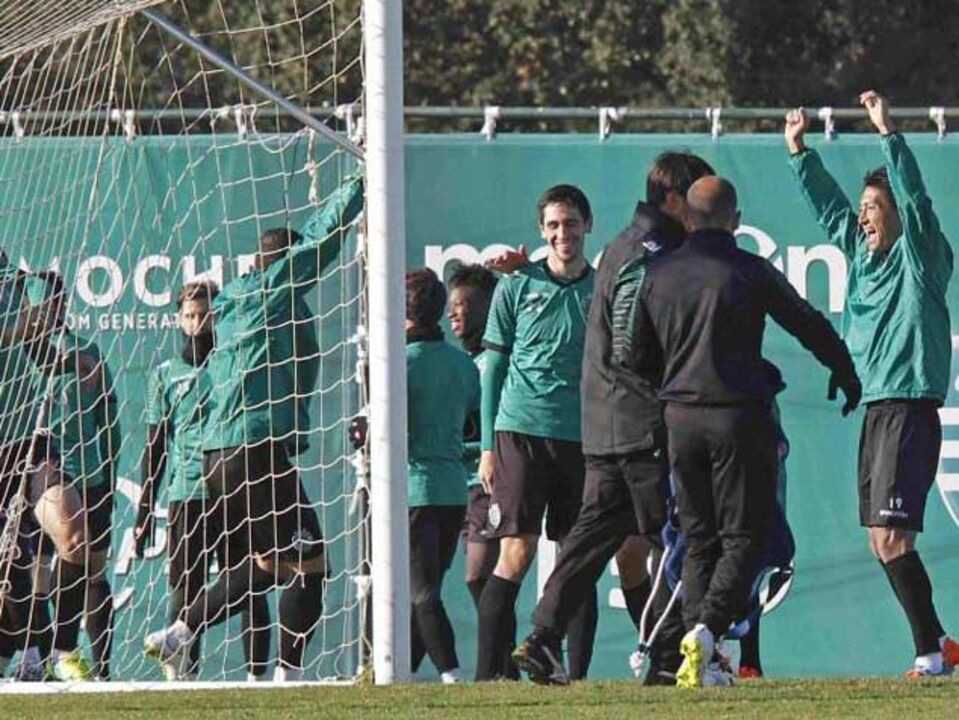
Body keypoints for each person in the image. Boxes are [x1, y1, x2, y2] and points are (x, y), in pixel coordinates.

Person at [627, 175, 861, 688]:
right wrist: (843, 368)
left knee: (697, 537)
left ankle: (703, 658)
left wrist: (666, 400)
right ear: (735, 221)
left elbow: (633, 357)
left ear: (687, 220)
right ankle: (707, 634)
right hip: (738, 417)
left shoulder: (657, 274)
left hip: (680, 420)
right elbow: (805, 320)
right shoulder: (749, 269)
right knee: (748, 538)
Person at [144, 171, 364, 681]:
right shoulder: (273, 292)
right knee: (314, 566)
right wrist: (359, 181)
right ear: (281, 264)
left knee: (271, 563)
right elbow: (321, 237)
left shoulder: (233, 304)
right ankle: (283, 674)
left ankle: (183, 630)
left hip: (221, 458)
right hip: (252, 451)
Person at [512, 152, 714, 686]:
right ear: (673, 198)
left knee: (591, 540)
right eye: (697, 197)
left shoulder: (623, 245)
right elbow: (632, 345)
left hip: (603, 424)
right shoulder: (654, 252)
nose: (702, 211)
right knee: (679, 536)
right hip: (640, 424)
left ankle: (541, 639)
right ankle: (674, 657)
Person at [786, 91, 959, 677]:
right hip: (878, 412)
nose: (863, 215)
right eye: (863, 206)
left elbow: (915, 199)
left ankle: (930, 654)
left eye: (873, 206)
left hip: (910, 408)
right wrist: (800, 154)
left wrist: (889, 132)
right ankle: (940, 642)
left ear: (896, 213)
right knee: (879, 541)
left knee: (892, 540)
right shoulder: (862, 257)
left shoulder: (920, 257)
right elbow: (833, 213)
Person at [475, 184, 598, 682]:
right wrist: (486, 447)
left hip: (582, 439)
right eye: (553, 225)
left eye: (570, 223)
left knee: (579, 559)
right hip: (520, 432)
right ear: (541, 232)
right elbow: (492, 371)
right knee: (517, 552)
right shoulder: (517, 285)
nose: (562, 233)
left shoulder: (602, 287)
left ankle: (575, 677)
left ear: (587, 225)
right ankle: (488, 678)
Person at [135, 280, 270, 681]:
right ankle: (182, 676)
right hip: (187, 492)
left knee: (249, 582)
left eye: (206, 315)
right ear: (179, 319)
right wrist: (144, 510)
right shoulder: (164, 375)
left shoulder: (232, 362)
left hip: (233, 490)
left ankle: (258, 678)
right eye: (190, 316)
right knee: (185, 588)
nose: (198, 323)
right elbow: (155, 446)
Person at [23, 271, 120, 681]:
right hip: (32, 471)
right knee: (33, 570)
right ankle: (36, 657)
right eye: (42, 303)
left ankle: (97, 669)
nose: (51, 310)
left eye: (57, 302)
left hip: (88, 473)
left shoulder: (89, 353)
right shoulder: (16, 360)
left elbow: (108, 422)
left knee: (90, 565)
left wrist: (109, 478)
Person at [405, 268, 479, 683]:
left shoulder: (395, 366)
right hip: (453, 492)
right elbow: (472, 423)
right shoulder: (462, 365)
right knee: (427, 588)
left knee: (422, 594)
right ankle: (409, 673)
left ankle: (452, 676)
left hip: (415, 489)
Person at [446, 265, 502, 616]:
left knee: (478, 575)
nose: (452, 312)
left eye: (461, 304)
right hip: (452, 485)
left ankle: (501, 664)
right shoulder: (460, 363)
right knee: (424, 586)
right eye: (450, 304)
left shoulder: (494, 364)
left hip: (486, 484)